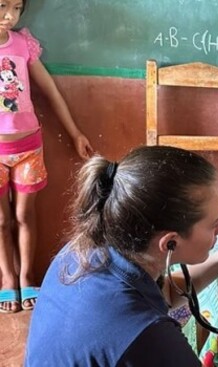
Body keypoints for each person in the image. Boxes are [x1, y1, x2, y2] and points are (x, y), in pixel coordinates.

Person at [25, 145, 218, 366]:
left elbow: (162, 292)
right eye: (214, 222)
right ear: (169, 243)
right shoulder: (146, 333)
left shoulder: (90, 247)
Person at [0, 0, 93, 313]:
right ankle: (7, 280)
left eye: (16, 8)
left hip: (28, 149)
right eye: (2, 6)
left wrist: (76, 133)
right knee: (0, 220)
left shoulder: (23, 44)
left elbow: (51, 92)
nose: (9, 15)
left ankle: (27, 276)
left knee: (25, 216)